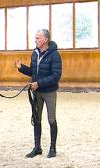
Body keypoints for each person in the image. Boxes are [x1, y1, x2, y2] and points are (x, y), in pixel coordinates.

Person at [14, 29, 62, 158]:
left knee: (51, 120)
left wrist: (39, 83)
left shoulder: (55, 55)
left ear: (45, 40)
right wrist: (21, 67)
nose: (35, 40)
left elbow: (56, 75)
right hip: (37, 92)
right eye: (35, 38)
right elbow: (33, 72)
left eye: (38, 38)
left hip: (49, 92)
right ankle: (37, 147)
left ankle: (52, 148)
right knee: (36, 119)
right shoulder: (34, 54)